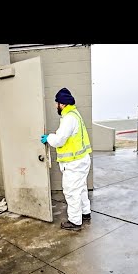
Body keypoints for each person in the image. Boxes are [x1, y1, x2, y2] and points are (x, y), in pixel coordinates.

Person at [41, 87, 92, 231]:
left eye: (56, 103)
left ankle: (75, 222)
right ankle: (85, 212)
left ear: (62, 104)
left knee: (71, 192)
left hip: (74, 163)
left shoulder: (69, 118)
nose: (55, 106)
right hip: (81, 160)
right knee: (81, 188)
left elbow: (59, 140)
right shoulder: (75, 114)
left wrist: (48, 138)